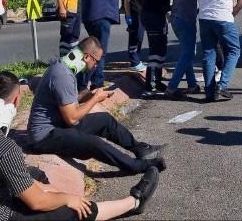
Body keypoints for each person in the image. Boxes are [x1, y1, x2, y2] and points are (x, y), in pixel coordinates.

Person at [0, 70, 158, 221]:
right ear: (16, 101)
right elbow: (37, 202)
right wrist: (68, 198)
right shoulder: (4, 148)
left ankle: (68, 197)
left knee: (33, 176)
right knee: (73, 211)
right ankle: (134, 203)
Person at [27, 36, 167, 174]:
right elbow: (71, 118)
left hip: (59, 124)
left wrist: (91, 96)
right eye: (96, 61)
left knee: (105, 120)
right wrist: (94, 100)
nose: (96, 66)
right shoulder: (63, 76)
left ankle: (139, 149)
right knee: (94, 143)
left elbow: (68, 100)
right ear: (87, 57)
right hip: (45, 136)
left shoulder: (64, 69)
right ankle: (136, 166)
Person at [80, 0, 129, 90]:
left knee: (91, 49)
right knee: (99, 51)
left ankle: (84, 82)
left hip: (90, 11)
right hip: (101, 12)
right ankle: (95, 84)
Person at [166, 0, 207, 100]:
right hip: (186, 19)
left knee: (186, 52)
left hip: (175, 18)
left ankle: (192, 84)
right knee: (189, 53)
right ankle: (172, 87)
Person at [141, 0, 179, 93]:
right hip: (153, 15)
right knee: (156, 50)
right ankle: (150, 84)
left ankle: (156, 81)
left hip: (158, 15)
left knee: (161, 49)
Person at [122, 0, 148, 72]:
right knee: (135, 37)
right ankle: (134, 61)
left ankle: (137, 59)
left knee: (140, 37)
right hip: (134, 13)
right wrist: (128, 15)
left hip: (143, 14)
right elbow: (126, 0)